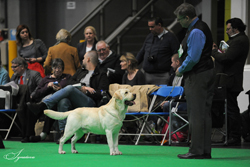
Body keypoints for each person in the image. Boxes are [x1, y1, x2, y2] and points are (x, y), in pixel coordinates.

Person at [28, 51, 109, 139]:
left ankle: (43, 105)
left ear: (88, 59)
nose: (82, 60)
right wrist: (83, 87)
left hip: (89, 102)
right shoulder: (80, 71)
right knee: (63, 101)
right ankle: (64, 134)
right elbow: (70, 81)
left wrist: (86, 91)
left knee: (70, 88)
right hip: (75, 100)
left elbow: (102, 92)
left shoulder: (101, 74)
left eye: (84, 58)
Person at [174, 3, 215, 159]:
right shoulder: (200, 27)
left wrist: (181, 69)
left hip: (198, 75)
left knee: (196, 114)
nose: (179, 23)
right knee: (203, 113)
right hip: (205, 73)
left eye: (180, 20)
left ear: (187, 17)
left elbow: (193, 57)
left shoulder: (196, 31)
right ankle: (204, 151)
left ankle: (196, 151)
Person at [212, 18, 249, 146]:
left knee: (232, 109)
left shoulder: (239, 41)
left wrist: (214, 52)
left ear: (235, 29)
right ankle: (230, 136)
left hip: (231, 80)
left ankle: (234, 136)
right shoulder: (238, 40)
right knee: (229, 108)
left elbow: (226, 58)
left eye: (228, 29)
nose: (226, 31)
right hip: (230, 79)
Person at [28, 58, 72, 142]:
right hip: (49, 102)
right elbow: (36, 94)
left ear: (63, 68)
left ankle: (43, 135)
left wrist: (61, 89)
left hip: (64, 103)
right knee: (52, 106)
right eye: (55, 68)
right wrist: (47, 86)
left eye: (59, 67)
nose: (57, 70)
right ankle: (32, 135)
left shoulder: (67, 77)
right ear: (52, 68)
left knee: (58, 103)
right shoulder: (46, 79)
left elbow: (71, 89)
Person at [136, 17, 180, 85]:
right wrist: (133, 64)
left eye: (152, 27)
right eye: (149, 27)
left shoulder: (171, 37)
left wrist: (172, 72)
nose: (150, 29)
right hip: (146, 74)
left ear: (159, 25)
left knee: (161, 95)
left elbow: (177, 54)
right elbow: (142, 52)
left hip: (162, 76)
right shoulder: (149, 36)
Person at [10, 57, 42, 142]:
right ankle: (22, 134)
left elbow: (40, 87)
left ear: (22, 67)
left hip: (32, 101)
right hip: (18, 101)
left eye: (15, 67)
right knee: (22, 106)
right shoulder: (14, 76)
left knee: (27, 106)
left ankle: (27, 135)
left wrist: (32, 95)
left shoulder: (34, 74)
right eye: (12, 67)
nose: (13, 69)